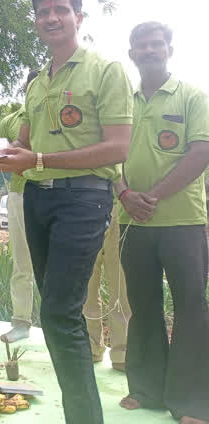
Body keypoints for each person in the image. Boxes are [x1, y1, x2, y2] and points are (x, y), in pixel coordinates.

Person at [0, 0, 133, 424]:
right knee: (55, 313)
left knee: (59, 312)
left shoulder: (105, 70)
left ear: (79, 17)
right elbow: (26, 140)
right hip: (37, 199)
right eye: (43, 12)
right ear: (35, 20)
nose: (51, 18)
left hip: (84, 199)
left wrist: (37, 158)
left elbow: (118, 147)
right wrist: (11, 156)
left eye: (61, 10)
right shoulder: (40, 81)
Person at [116, 22, 209, 424]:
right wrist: (124, 194)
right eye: (142, 46)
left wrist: (152, 196)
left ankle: (190, 402)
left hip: (183, 221)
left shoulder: (192, 97)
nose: (150, 50)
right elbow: (108, 154)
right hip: (132, 222)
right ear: (132, 53)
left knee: (190, 307)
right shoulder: (122, 101)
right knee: (144, 306)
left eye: (157, 44)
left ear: (169, 49)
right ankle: (147, 389)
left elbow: (201, 151)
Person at [0, 70, 38, 344]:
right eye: (31, 85)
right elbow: (2, 158)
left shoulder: (62, 120)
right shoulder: (10, 121)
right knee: (23, 263)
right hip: (20, 195)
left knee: (58, 266)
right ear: (25, 88)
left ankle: (60, 326)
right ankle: (21, 322)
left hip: (57, 195)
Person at [82, 204, 130, 372]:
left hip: (120, 205)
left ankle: (122, 354)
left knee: (121, 288)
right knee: (85, 287)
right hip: (83, 203)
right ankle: (90, 347)